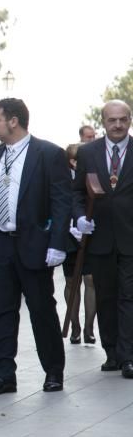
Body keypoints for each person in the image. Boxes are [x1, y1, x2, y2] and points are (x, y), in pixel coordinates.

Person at [0, 98, 70, 395]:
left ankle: (53, 371)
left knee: (42, 309)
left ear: (13, 121)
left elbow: (61, 201)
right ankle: (5, 374)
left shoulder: (48, 154)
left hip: (33, 244)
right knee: (2, 311)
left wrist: (57, 243)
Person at [73, 100, 133, 377]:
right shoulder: (87, 153)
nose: (118, 125)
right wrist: (79, 217)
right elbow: (76, 193)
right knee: (106, 297)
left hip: (130, 238)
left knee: (128, 297)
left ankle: (128, 355)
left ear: (130, 120)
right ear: (104, 122)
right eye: (112, 120)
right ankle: (111, 352)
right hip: (99, 238)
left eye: (123, 119)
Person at [62, 142, 96, 346]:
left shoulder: (92, 176)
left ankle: (89, 327)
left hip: (90, 235)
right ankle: (74, 325)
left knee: (91, 280)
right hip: (69, 235)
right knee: (71, 282)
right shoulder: (63, 177)